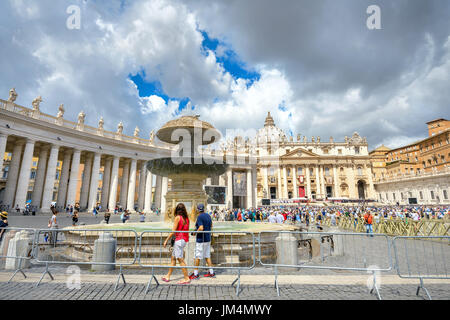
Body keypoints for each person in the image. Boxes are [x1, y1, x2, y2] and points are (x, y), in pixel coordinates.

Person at [162, 203, 190, 284]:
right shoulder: (186, 218)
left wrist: (166, 240)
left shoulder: (178, 218)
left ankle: (186, 278)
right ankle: (168, 276)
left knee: (180, 260)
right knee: (173, 258)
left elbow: (173, 231)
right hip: (183, 240)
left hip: (179, 240)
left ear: (176, 210)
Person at [190, 204, 215, 280]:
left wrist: (195, 233)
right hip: (207, 239)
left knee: (197, 256)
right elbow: (211, 225)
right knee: (207, 256)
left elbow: (201, 228)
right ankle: (211, 272)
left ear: (197, 210)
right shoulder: (208, 216)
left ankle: (195, 274)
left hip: (201, 240)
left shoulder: (200, 217)